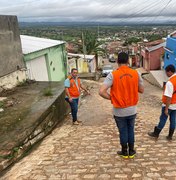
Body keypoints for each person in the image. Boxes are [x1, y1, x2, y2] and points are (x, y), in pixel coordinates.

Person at [99, 52, 144, 159]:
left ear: (118, 61)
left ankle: (124, 152)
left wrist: (112, 97)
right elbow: (141, 90)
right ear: (128, 61)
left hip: (119, 111)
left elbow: (101, 91)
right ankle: (132, 151)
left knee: (123, 131)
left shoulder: (113, 75)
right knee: (131, 130)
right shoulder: (136, 73)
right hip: (132, 109)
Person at [148, 64, 176, 140]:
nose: (166, 74)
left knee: (163, 119)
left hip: (169, 105)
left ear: (170, 72)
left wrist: (166, 109)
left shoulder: (170, 83)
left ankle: (156, 133)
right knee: (173, 120)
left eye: (166, 72)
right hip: (175, 105)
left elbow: (169, 97)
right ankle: (170, 135)